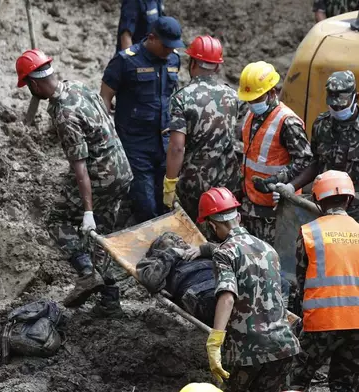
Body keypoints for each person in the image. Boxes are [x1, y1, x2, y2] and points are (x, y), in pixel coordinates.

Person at [15, 49, 133, 316]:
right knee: (100, 235)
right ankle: (110, 300)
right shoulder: (78, 86)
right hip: (122, 168)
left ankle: (86, 271)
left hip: (101, 176)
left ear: (34, 84)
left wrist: (88, 211)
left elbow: (80, 170)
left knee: (56, 220)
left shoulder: (63, 114)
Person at [286, 170, 359, 392]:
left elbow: (301, 281)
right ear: (349, 198)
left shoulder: (310, 233)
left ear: (318, 200)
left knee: (296, 380)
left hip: (322, 321)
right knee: (345, 385)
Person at [198, 187, 300, 391]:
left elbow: (227, 297)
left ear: (212, 225)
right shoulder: (268, 249)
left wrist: (215, 340)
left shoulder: (224, 253)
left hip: (248, 351)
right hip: (284, 345)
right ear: (238, 217)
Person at [286, 71, 359, 234]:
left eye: (342, 106)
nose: (337, 110)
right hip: (321, 209)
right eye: (333, 106)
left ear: (355, 98)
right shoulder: (321, 125)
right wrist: (291, 186)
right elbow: (316, 163)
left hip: (354, 217)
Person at [101, 16, 183, 223]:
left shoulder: (174, 60)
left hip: (164, 142)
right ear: (152, 38)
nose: (170, 51)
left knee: (164, 200)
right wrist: (106, 138)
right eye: (166, 46)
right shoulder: (126, 60)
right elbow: (105, 97)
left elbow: (173, 95)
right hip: (135, 144)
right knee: (146, 204)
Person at [163, 35, 240, 222]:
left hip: (194, 184)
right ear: (218, 66)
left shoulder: (182, 98)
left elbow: (177, 148)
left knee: (194, 235)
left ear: (192, 63)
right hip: (228, 182)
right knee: (223, 231)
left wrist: (170, 184)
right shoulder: (232, 95)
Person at [238, 61, 313, 245]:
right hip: (251, 205)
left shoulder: (287, 122)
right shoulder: (251, 115)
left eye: (257, 99)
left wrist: (280, 180)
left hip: (275, 209)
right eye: (250, 100)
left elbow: (306, 160)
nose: (253, 104)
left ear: (272, 92)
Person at [135, 232, 217, 326]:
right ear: (158, 249)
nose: (178, 237)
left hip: (226, 284)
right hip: (201, 292)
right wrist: (172, 253)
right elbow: (150, 281)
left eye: (179, 236)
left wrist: (205, 249)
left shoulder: (198, 252)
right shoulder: (157, 262)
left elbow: (231, 255)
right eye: (170, 237)